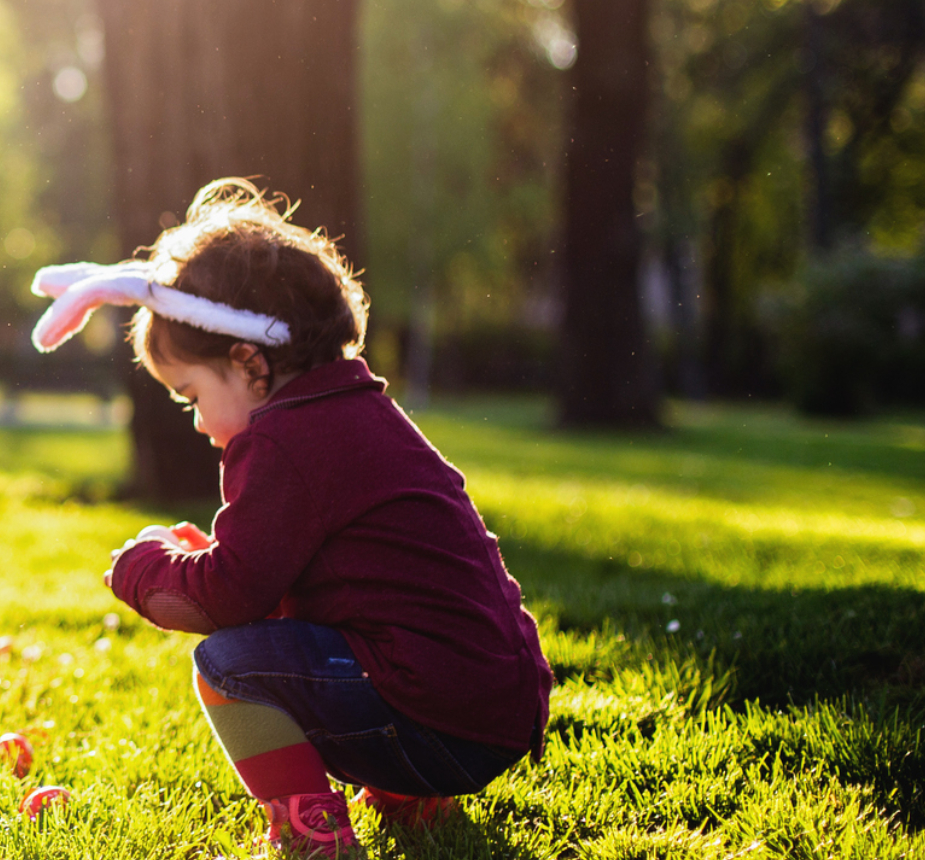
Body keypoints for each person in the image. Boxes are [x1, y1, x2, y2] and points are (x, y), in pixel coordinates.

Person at [27, 179, 553, 857]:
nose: (194, 420)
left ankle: (312, 834)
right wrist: (213, 559)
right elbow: (320, 576)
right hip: (494, 710)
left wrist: (143, 571)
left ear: (249, 362)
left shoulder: (281, 440)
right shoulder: (352, 410)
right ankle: (409, 796)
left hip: (435, 722)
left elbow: (229, 598)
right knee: (305, 643)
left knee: (228, 667)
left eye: (191, 396)